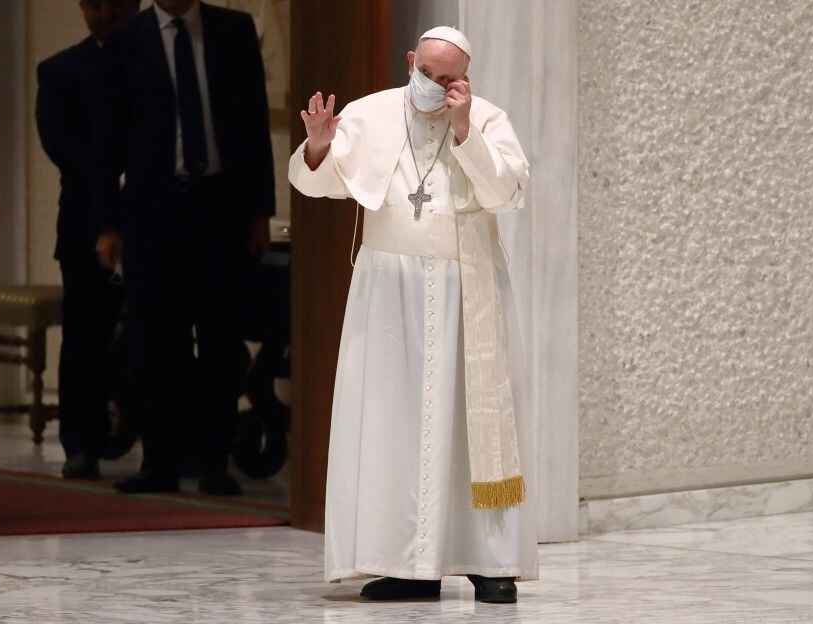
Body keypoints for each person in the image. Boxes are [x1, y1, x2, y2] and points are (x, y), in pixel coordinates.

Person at [289, 27, 537, 603]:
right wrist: (321, 145)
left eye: (450, 80)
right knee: (390, 421)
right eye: (428, 73)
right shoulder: (370, 113)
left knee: (468, 425)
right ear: (411, 62)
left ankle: (487, 562)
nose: (436, 87)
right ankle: (403, 565)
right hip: (389, 288)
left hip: (466, 287)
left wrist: (463, 131)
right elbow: (315, 182)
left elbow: (508, 193)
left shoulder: (488, 119)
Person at [92, 0, 275, 496]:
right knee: (155, 343)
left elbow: (254, 121)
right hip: (152, 212)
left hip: (220, 209)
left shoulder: (233, 30)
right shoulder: (127, 38)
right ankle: (159, 462)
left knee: (220, 339)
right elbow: (107, 138)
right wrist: (108, 225)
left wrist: (262, 210)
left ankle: (214, 462)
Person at [36, 0, 141, 481]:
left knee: (161, 333)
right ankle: (81, 443)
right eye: (95, 4)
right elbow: (60, 143)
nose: (106, 13)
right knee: (84, 339)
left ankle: (171, 442)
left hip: (158, 216)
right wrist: (115, 175)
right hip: (82, 225)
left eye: (116, 3)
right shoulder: (60, 71)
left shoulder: (152, 57)